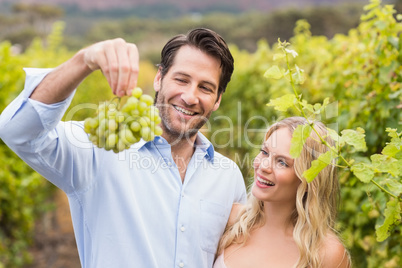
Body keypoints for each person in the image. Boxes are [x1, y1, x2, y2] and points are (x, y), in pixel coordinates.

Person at [0, 28, 247, 267]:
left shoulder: (229, 177)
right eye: (181, 80)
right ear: (159, 78)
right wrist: (84, 61)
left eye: (205, 87)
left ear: (218, 99)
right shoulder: (99, 147)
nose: (191, 97)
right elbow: (18, 131)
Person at [214, 117, 351, 268]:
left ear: (308, 179)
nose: (264, 166)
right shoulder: (230, 222)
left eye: (282, 162)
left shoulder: (327, 253)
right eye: (264, 152)